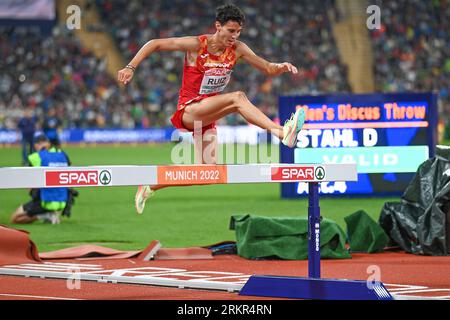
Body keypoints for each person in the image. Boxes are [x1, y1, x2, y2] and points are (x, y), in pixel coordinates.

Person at [117, 3, 305, 214]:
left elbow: (268, 68)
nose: (235, 36)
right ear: (218, 26)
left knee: (206, 173)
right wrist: (130, 66)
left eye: (239, 31)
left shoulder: (238, 49)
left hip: (207, 115)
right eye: (231, 31)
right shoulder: (197, 45)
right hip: (189, 110)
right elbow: (155, 44)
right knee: (237, 98)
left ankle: (150, 186)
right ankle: (281, 132)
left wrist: (280, 66)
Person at [10, 134, 77, 225]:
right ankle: (51, 213)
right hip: (63, 200)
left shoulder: (35, 157)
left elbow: (26, 179)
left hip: (45, 200)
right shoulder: (62, 154)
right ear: (48, 143)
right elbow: (72, 172)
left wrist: (32, 193)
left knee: (15, 218)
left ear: (36, 145)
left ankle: (45, 215)